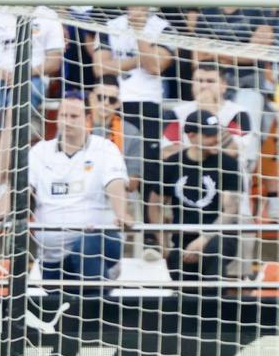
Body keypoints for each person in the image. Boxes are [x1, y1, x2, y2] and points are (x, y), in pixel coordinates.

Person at [29, 96, 132, 281]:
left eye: (74, 116)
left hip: (99, 244)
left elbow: (115, 183)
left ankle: (96, 305)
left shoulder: (105, 148)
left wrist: (121, 213)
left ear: (87, 120)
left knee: (88, 244)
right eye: (63, 115)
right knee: (56, 305)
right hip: (51, 255)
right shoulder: (39, 151)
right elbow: (23, 190)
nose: (67, 121)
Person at [93, 0, 175, 171]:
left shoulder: (164, 28)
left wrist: (139, 33)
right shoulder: (110, 27)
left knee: (146, 169)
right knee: (109, 163)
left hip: (148, 104)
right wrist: (139, 59)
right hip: (112, 103)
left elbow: (154, 67)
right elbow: (99, 68)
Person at [149, 110, 242, 281]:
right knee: (181, 279)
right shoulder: (173, 164)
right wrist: (163, 243)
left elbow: (230, 210)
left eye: (217, 134)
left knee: (214, 250)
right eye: (209, 135)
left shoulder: (228, 163)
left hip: (219, 235)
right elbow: (154, 204)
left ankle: (216, 305)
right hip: (183, 237)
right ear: (191, 136)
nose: (216, 140)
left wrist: (204, 239)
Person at [162, 64, 256, 171]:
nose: (204, 86)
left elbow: (232, 151)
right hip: (186, 172)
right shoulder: (178, 113)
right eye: (199, 80)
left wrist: (208, 113)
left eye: (210, 81)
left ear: (223, 86)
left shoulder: (237, 114)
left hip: (225, 174)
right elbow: (167, 151)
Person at [88, 75, 144, 192]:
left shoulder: (131, 133)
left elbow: (132, 182)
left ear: (118, 103)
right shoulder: (75, 125)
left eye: (112, 99)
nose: (106, 103)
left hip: (116, 197)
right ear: (91, 98)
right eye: (101, 97)